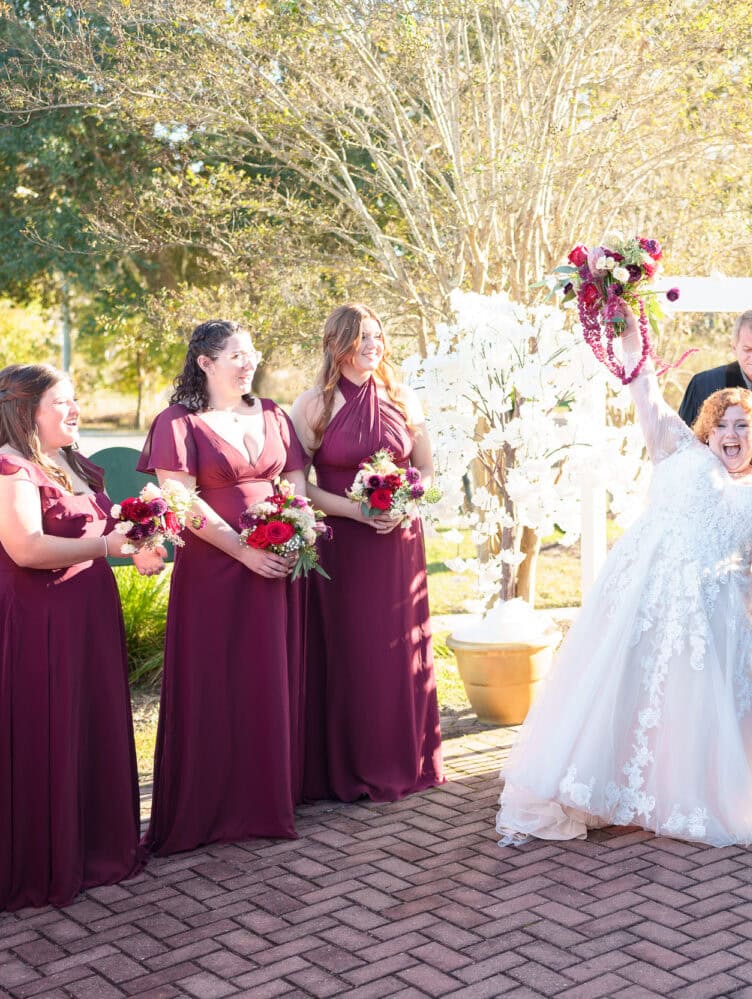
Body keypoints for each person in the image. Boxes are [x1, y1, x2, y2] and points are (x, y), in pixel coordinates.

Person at [496, 309, 752, 847]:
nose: (730, 434)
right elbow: (646, 394)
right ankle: (610, 788)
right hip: (645, 602)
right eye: (721, 424)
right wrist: (632, 337)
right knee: (628, 694)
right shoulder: (678, 449)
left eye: (742, 425)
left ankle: (693, 794)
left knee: (703, 708)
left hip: (722, 617)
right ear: (706, 429)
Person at [137, 320, 312, 854]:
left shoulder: (275, 414)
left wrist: (298, 530)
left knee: (268, 679)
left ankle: (268, 798)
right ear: (206, 363)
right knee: (217, 677)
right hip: (216, 571)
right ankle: (212, 804)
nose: (247, 361)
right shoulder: (178, 423)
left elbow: (297, 485)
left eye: (251, 351)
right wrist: (242, 549)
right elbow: (181, 500)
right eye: (236, 354)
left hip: (279, 566)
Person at [1, 364, 159, 910]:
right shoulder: (11, 467)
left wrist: (141, 545)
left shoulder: (70, 460)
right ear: (25, 413)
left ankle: (94, 844)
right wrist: (109, 548)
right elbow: (28, 549)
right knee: (51, 727)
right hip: (42, 623)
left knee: (87, 722)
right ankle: (49, 857)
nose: (75, 410)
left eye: (75, 400)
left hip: (89, 613)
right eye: (62, 402)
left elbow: (103, 527)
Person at [291, 304, 444, 804]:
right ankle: (347, 764)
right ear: (337, 345)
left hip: (397, 543)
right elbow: (299, 488)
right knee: (352, 649)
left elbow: (426, 468)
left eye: (378, 336)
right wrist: (355, 512)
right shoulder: (312, 405)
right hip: (342, 545)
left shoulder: (402, 397)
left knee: (397, 645)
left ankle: (406, 758)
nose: (373, 345)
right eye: (362, 338)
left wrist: (404, 502)